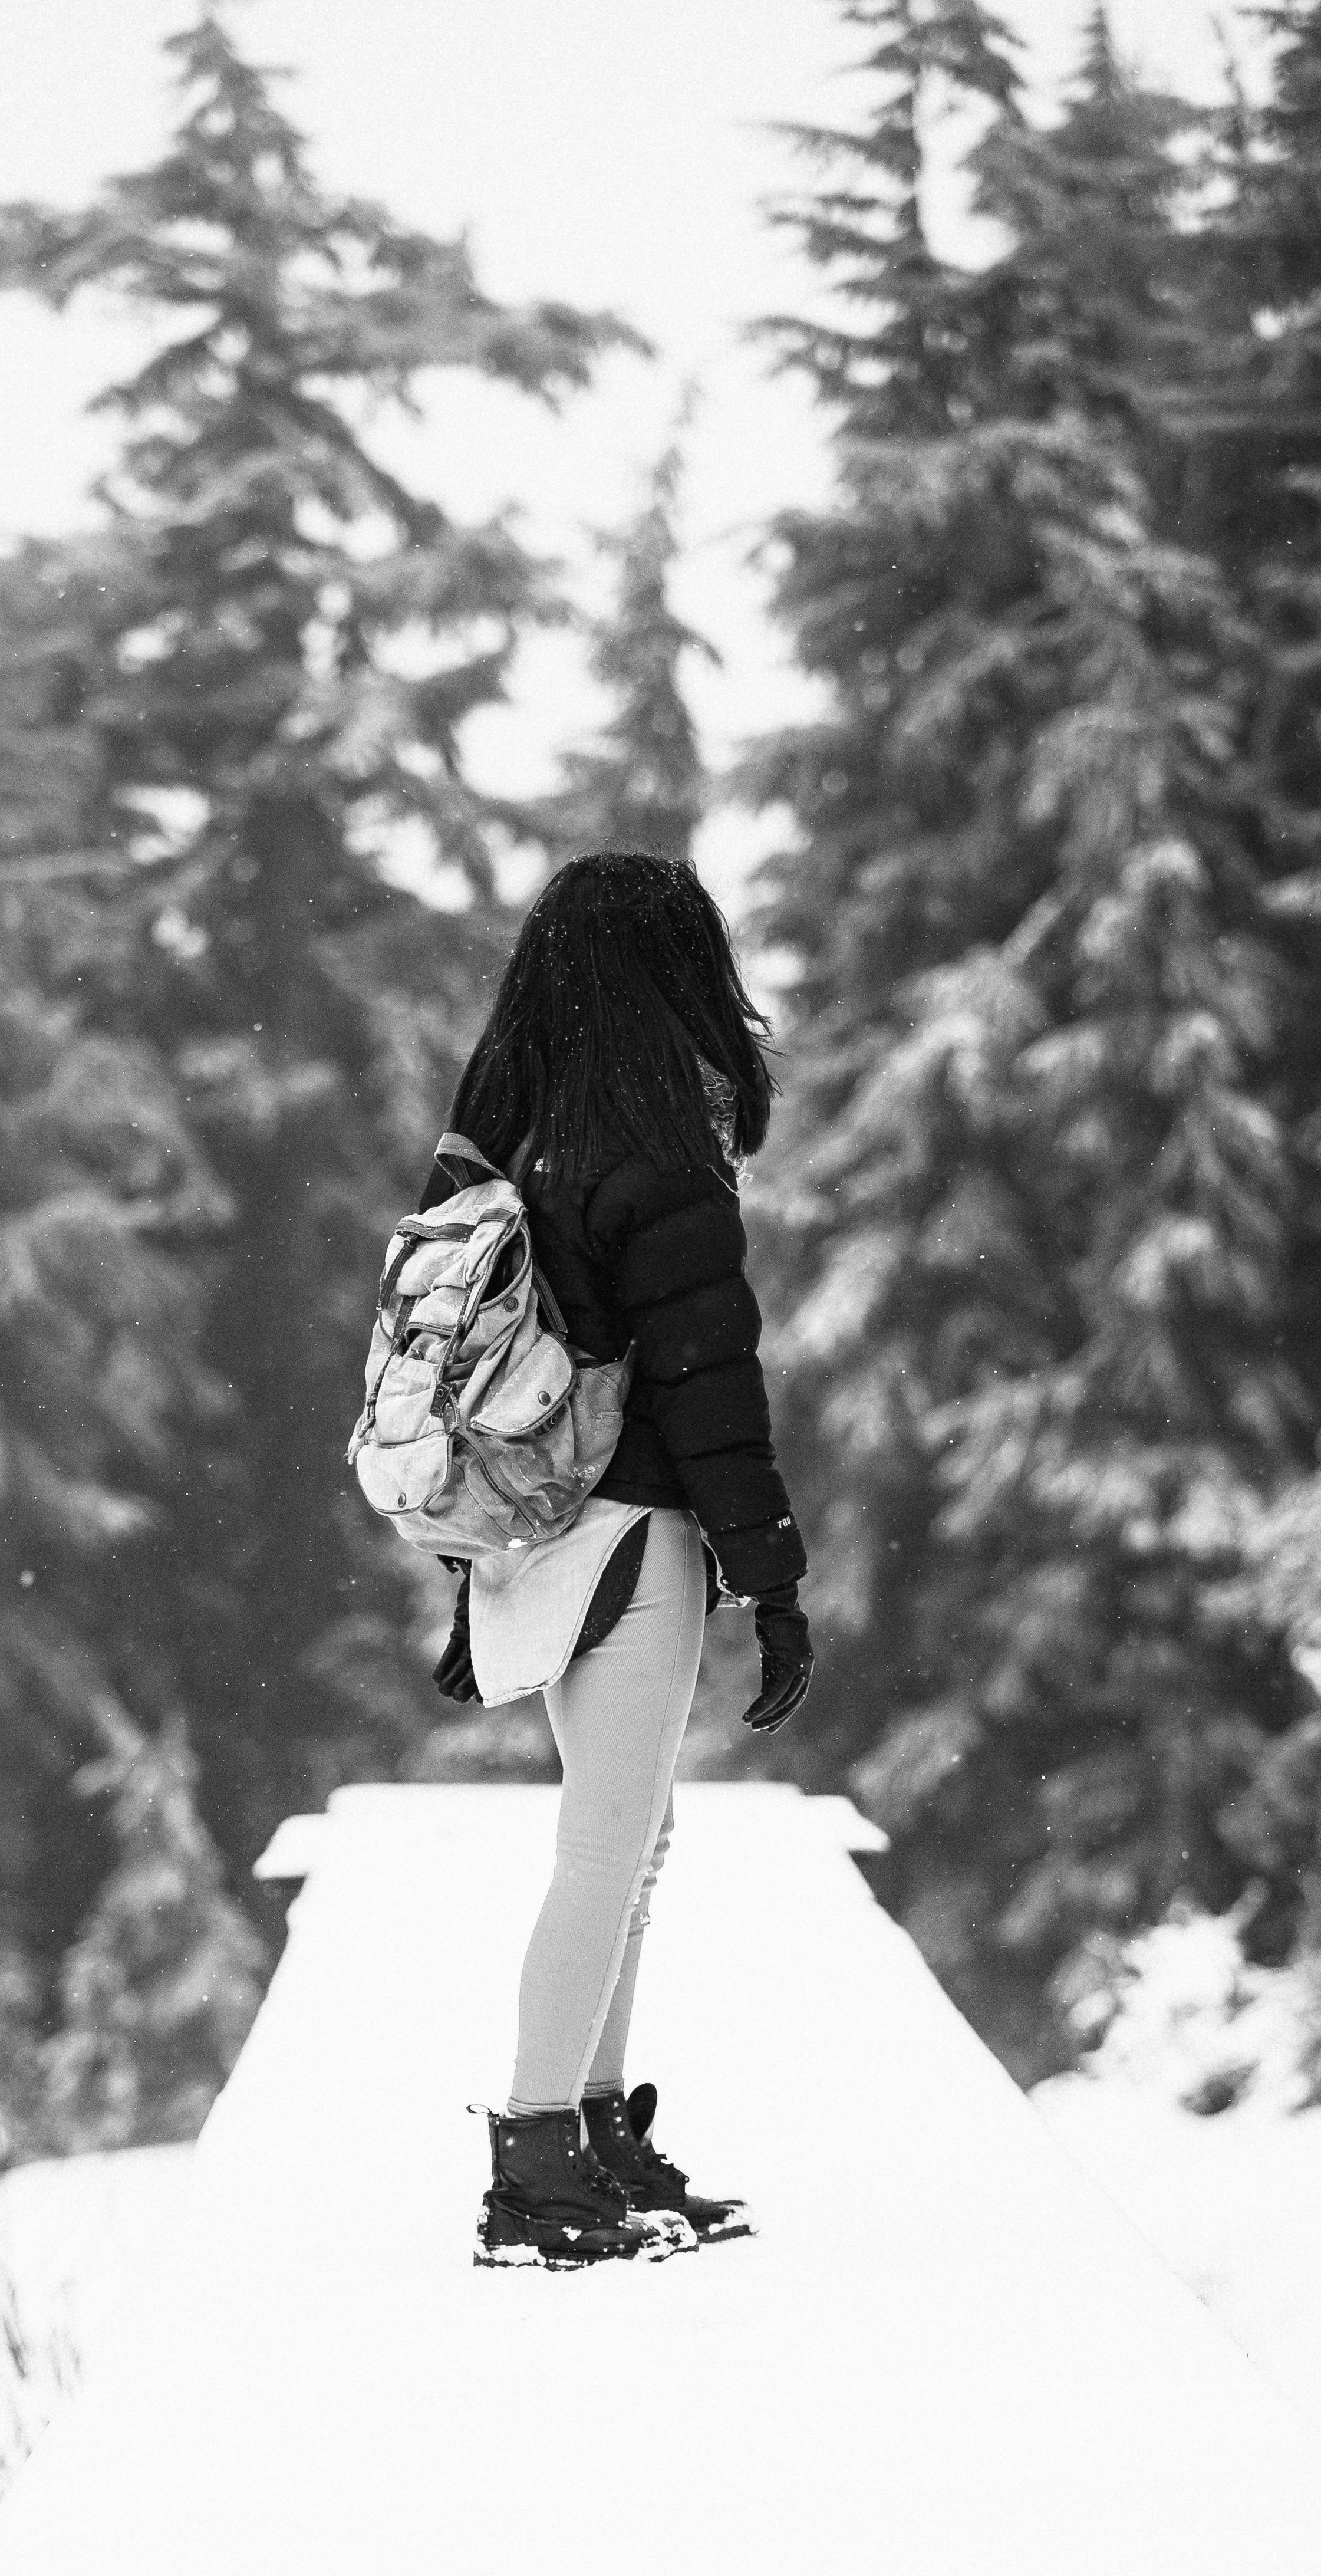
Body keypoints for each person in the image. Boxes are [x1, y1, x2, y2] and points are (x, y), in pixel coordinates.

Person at [419, 850, 813, 2271]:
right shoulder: (655, 1151)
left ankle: (591, 2139)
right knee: (610, 1849)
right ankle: (534, 2166)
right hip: (632, 1533)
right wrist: (773, 1579)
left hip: (523, 1537)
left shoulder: (494, 1141)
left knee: (625, 1842)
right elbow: (713, 1386)